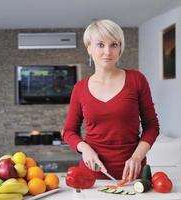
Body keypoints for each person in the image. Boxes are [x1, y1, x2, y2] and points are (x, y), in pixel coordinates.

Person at [62, 19, 159, 182]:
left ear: (120, 48)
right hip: (90, 178)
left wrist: (137, 157)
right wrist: (85, 148)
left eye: (114, 44)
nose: (108, 51)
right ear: (89, 48)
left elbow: (152, 126)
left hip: (133, 176)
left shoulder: (137, 79)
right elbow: (69, 131)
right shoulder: (79, 88)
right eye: (100, 44)